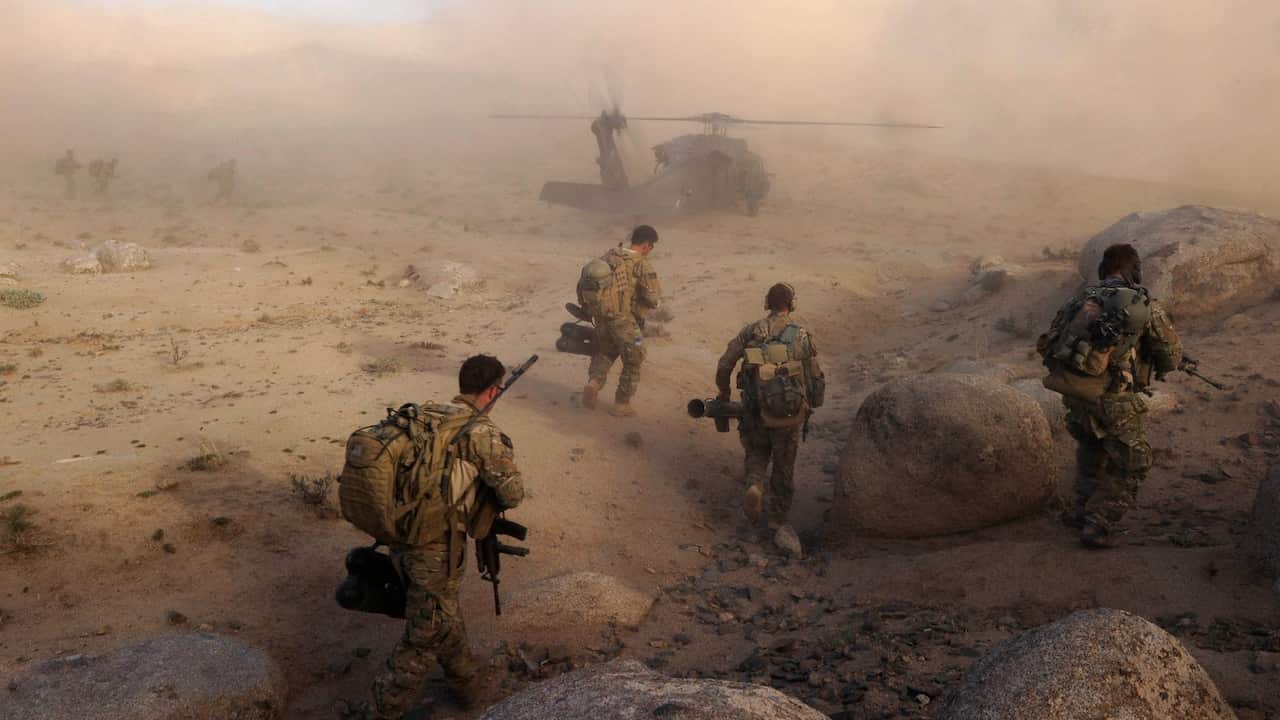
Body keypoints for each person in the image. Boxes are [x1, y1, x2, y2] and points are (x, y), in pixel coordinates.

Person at [368, 354, 525, 718]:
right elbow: (512, 494)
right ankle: (382, 708)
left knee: (441, 612)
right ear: (493, 391)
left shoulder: (429, 414)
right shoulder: (480, 432)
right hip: (435, 546)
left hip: (400, 532)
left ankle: (468, 685)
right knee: (424, 635)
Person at [1037, 243, 1183, 548]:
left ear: (1104, 269)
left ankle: (1080, 510)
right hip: (1113, 397)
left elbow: (1053, 341)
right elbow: (1169, 356)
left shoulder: (1080, 299)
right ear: (1134, 270)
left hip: (1074, 392)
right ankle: (1100, 521)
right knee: (1135, 460)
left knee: (1092, 449)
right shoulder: (1143, 304)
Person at [715, 283, 825, 545]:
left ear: (767, 303)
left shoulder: (751, 331)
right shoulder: (801, 335)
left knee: (757, 453)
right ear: (791, 304)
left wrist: (724, 393)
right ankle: (776, 520)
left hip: (755, 410)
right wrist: (813, 402)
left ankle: (755, 484)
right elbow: (814, 376)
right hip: (787, 414)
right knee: (784, 467)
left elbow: (725, 364)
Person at [579, 225, 663, 417]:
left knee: (606, 352)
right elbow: (653, 298)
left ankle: (594, 383)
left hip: (602, 319)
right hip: (625, 323)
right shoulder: (641, 263)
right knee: (636, 357)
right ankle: (622, 404)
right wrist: (654, 303)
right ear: (646, 245)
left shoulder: (610, 255)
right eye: (651, 247)